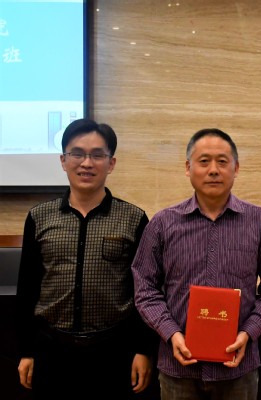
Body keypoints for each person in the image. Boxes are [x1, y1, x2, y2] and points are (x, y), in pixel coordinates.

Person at [131, 128, 261, 400]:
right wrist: (171, 333)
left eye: (222, 161)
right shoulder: (163, 223)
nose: (213, 170)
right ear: (188, 167)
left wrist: (248, 332)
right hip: (177, 367)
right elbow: (144, 287)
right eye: (204, 161)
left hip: (238, 368)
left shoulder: (260, 221)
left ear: (236, 168)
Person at [15, 118, 158, 399]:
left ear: (111, 163)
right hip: (51, 350)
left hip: (113, 352)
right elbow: (28, 288)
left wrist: (143, 350)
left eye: (97, 155)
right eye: (77, 153)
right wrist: (26, 350)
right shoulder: (39, 217)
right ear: (63, 160)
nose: (86, 163)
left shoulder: (134, 219)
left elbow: (145, 290)